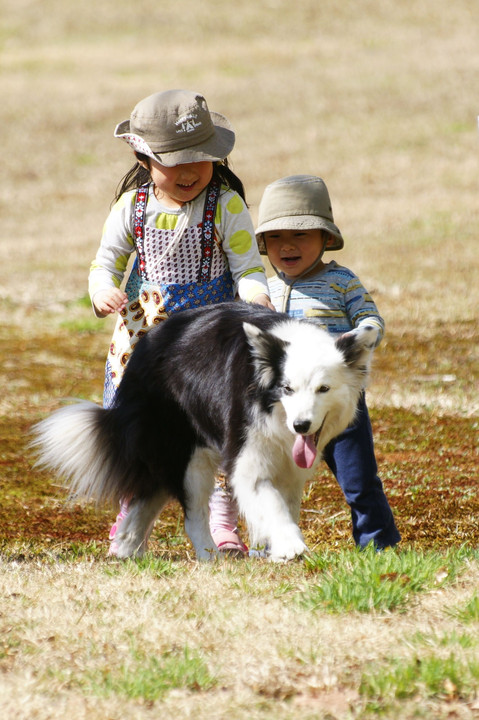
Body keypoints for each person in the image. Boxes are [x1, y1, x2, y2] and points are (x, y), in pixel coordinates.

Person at [89, 89, 273, 555]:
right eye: (175, 161)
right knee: (140, 425)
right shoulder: (132, 206)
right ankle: (131, 517)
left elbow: (248, 265)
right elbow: (106, 262)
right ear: (143, 156)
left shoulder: (226, 205)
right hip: (146, 336)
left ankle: (223, 519)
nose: (191, 171)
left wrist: (256, 294)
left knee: (223, 423)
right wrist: (101, 291)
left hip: (210, 336)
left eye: (203, 158)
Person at [209, 174, 400, 551]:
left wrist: (362, 335)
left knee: (359, 479)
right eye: (275, 238)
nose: (287, 246)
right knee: (268, 473)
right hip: (285, 406)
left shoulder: (341, 281)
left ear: (326, 238)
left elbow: (370, 318)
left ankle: (378, 543)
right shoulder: (264, 288)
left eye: (301, 235)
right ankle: (270, 542)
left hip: (334, 402)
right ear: (262, 244)